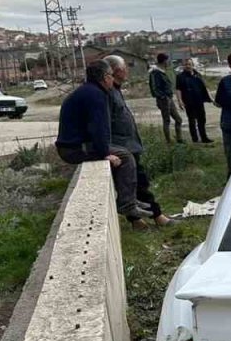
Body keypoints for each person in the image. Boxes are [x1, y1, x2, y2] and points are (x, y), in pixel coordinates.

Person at [54, 58, 147, 226]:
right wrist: (105, 153)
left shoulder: (89, 91)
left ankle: (130, 201)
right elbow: (98, 128)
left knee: (122, 154)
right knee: (125, 157)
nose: (113, 79)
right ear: (105, 77)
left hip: (73, 146)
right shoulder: (96, 95)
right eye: (111, 75)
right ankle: (128, 205)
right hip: (75, 149)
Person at [108, 55, 172, 228]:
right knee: (137, 183)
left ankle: (137, 220)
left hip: (129, 145)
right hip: (122, 147)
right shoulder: (108, 92)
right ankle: (156, 216)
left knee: (134, 184)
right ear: (117, 70)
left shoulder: (116, 89)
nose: (127, 71)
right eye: (125, 67)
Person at [175, 57, 213, 143]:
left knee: (202, 119)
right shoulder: (180, 77)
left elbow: (205, 87)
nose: (188, 66)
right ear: (183, 66)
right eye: (186, 64)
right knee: (192, 120)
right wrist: (180, 101)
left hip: (199, 101)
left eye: (189, 64)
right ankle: (195, 139)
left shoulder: (198, 75)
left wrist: (210, 98)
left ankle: (204, 137)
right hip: (188, 102)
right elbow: (178, 89)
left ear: (192, 65)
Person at [149, 53, 184, 144]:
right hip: (163, 99)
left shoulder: (162, 71)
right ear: (164, 61)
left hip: (169, 98)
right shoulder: (155, 72)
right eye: (167, 60)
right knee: (167, 120)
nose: (168, 62)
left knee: (178, 119)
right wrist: (162, 96)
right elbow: (154, 87)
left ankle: (179, 139)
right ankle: (169, 141)